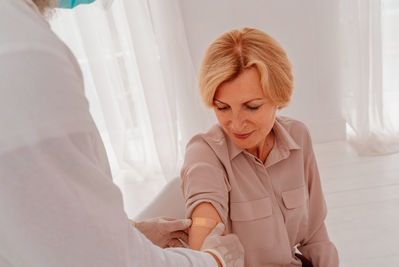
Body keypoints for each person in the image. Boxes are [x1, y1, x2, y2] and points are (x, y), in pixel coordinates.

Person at [0, 0, 244, 266]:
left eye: (254, 106)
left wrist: (132, 232)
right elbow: (99, 258)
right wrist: (213, 261)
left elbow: (38, 221)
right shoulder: (22, 50)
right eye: (222, 106)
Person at [181, 28, 339, 266]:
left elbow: (315, 235)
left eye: (252, 107)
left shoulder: (299, 137)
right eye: (222, 108)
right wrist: (203, 244)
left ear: (278, 96)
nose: (236, 124)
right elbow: (205, 233)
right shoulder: (204, 153)